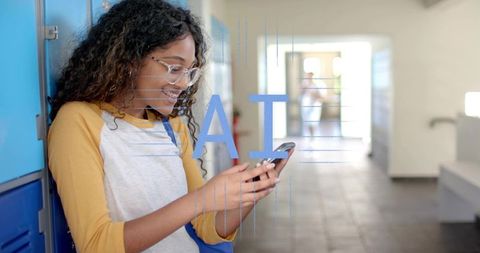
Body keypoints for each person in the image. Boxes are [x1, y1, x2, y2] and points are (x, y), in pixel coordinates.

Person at [47, 1, 294, 252]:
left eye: (190, 72)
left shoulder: (172, 128)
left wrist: (249, 194)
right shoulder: (78, 121)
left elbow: (207, 228)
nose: (184, 83)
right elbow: (96, 244)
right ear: (130, 59)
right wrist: (200, 200)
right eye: (175, 68)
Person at [301, 72, 327, 136]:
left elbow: (323, 96)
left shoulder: (319, 84)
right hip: (306, 106)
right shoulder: (304, 83)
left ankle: (313, 136)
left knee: (313, 122)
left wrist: (313, 94)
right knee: (307, 122)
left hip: (314, 106)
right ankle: (310, 135)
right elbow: (300, 92)